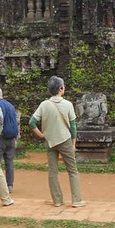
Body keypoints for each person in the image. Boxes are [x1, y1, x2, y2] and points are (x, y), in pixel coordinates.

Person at [29, 76, 84, 208]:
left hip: (50, 141)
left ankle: (57, 200)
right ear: (60, 89)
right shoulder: (68, 104)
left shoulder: (44, 104)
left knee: (52, 172)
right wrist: (73, 143)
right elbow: (73, 126)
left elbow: (31, 122)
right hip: (65, 140)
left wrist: (41, 135)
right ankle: (76, 200)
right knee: (72, 171)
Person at [0, 87, 18, 195]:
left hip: (1, 137)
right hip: (11, 137)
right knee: (9, 162)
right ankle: (9, 185)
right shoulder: (10, 105)